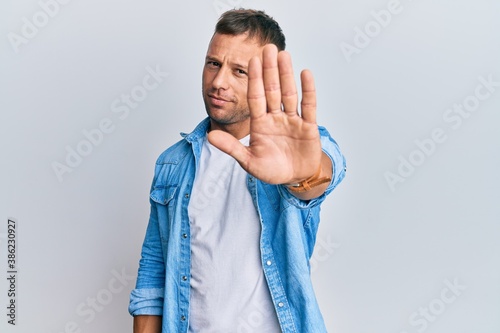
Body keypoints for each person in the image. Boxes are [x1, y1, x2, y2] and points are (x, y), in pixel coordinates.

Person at [129, 8, 346, 333]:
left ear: (266, 79)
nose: (218, 82)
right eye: (213, 63)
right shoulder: (172, 164)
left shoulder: (298, 145)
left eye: (239, 71)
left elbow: (322, 175)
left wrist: (301, 175)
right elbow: (153, 275)